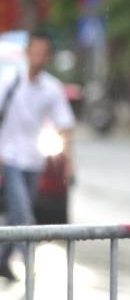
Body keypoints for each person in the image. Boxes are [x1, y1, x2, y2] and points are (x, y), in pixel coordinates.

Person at [0, 30, 75, 281]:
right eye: (35, 52)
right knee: (21, 209)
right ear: (27, 53)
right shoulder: (8, 81)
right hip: (9, 157)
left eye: (44, 54)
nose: (39, 58)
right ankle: (28, 258)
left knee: (17, 213)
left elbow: (64, 123)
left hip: (35, 158)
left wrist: (68, 159)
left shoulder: (51, 88)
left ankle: (2, 259)